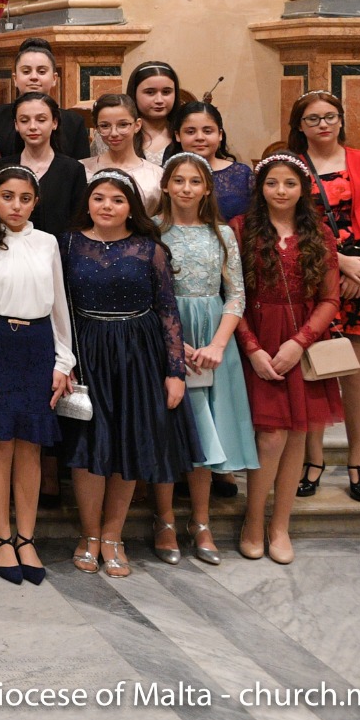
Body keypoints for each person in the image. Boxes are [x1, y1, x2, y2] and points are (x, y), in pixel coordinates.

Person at [63, 170, 198, 580]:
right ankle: (88, 534)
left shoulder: (149, 249)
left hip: (138, 351)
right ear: (87, 202)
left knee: (126, 442)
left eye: (117, 200)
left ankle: (112, 534)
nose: (107, 206)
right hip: (85, 348)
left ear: (131, 207)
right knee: (89, 445)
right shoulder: (67, 244)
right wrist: (62, 359)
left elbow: (168, 311)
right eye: (100, 198)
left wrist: (175, 370)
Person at [0, 165, 75, 585]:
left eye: (25, 198)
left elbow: (60, 305)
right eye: (8, 196)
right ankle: (2, 536)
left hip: (38, 347)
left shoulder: (47, 244)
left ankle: (27, 536)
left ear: (35, 202)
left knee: (31, 447)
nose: (16, 205)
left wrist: (64, 361)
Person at [287, 91, 360, 504]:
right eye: (313, 118)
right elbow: (289, 224)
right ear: (300, 125)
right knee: (315, 372)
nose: (323, 124)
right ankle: (313, 460)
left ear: (340, 120)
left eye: (330, 117)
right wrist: (338, 264)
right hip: (315, 276)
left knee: (355, 376)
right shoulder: (292, 167)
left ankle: (357, 459)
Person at [234, 153, 343, 564]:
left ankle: (280, 525)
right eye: (272, 183)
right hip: (257, 338)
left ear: (303, 189)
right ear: (260, 189)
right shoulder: (241, 229)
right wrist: (252, 347)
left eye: (289, 184)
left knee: (297, 433)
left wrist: (299, 342)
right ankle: (251, 520)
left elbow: (330, 299)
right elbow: (234, 294)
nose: (281, 191)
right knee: (271, 435)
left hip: (301, 341)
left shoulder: (319, 235)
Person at [151, 153, 258, 565]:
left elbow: (236, 294)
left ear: (207, 188)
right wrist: (176, 347)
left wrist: (216, 344)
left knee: (204, 435)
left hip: (212, 341)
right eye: (178, 181)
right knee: (169, 431)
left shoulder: (222, 233)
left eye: (195, 182)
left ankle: (200, 520)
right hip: (168, 337)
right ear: (165, 185)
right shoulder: (154, 231)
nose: (186, 189)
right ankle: (163, 520)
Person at [0, 37, 90, 159]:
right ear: (15, 79)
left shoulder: (74, 122)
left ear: (54, 78)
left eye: (42, 71)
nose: (34, 77)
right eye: (26, 71)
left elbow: (81, 169)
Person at [0, 92, 87, 235]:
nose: (32, 126)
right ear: (16, 125)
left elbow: (79, 222)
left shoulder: (73, 170)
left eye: (41, 119)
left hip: (57, 253)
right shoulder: (0, 168)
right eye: (24, 120)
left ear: (54, 123)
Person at [81, 93, 164, 214]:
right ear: (97, 129)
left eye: (123, 125)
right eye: (105, 126)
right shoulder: (81, 169)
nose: (114, 133)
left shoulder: (157, 175)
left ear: (137, 125)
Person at [170, 101, 253, 220]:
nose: (199, 137)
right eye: (190, 132)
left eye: (207, 131)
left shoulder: (241, 174)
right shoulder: (168, 174)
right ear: (178, 135)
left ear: (220, 134)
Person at [122, 61, 189, 165]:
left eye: (166, 92)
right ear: (134, 94)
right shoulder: (117, 134)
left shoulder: (187, 132)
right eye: (150, 92)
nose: (159, 100)